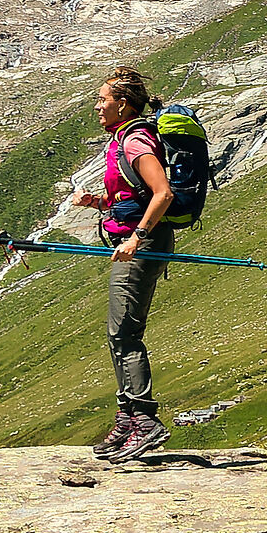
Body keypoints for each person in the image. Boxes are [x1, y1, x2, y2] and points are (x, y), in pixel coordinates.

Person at [72, 67, 175, 461]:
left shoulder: (135, 141)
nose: (98, 106)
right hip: (134, 241)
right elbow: (131, 196)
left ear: (123, 104)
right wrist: (96, 203)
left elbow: (161, 193)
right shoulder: (123, 139)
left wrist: (137, 238)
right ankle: (129, 417)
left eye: (103, 100)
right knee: (119, 333)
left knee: (124, 334)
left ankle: (144, 420)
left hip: (141, 245)